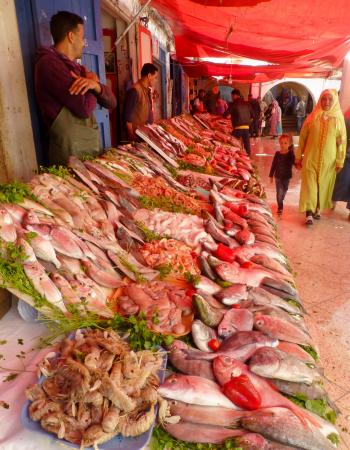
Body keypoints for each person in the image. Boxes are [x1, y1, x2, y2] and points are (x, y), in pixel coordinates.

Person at [35, 10, 116, 165]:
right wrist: (91, 84)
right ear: (71, 37)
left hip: (87, 150)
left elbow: (111, 103)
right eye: (82, 37)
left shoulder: (79, 69)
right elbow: (84, 109)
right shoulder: (48, 64)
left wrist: (96, 86)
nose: (84, 43)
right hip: (69, 155)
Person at [295, 89, 346, 226]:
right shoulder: (312, 117)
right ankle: (309, 213)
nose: (326, 102)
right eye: (324, 99)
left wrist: (340, 160)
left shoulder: (338, 120)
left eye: (329, 99)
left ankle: (318, 208)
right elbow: (302, 139)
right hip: (311, 158)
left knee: (322, 185)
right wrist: (298, 157)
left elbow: (341, 142)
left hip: (329, 161)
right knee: (310, 186)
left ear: (334, 100)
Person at [124, 63, 158, 141]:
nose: (156, 80)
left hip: (144, 133)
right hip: (136, 136)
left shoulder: (147, 90)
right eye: (155, 77)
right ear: (149, 76)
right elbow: (127, 118)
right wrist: (131, 136)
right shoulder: (134, 90)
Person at [269, 135, 295, 215]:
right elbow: (273, 165)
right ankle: (280, 207)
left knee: (285, 189)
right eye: (281, 143)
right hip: (278, 177)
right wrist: (271, 175)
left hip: (286, 177)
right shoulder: (277, 154)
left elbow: (294, 162)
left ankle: (281, 199)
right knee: (279, 193)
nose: (283, 145)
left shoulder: (290, 154)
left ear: (289, 144)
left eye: (285, 143)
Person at [332, 110, 350, 220]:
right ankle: (332, 200)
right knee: (341, 181)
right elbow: (340, 135)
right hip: (345, 156)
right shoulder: (347, 118)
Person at [224, 89, 252, 156]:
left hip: (238, 127)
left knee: (232, 144)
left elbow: (225, 114)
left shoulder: (234, 103)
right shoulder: (247, 103)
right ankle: (249, 159)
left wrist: (228, 116)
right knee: (247, 146)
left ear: (234, 95)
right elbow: (253, 115)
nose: (232, 98)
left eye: (232, 96)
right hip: (246, 127)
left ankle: (235, 158)